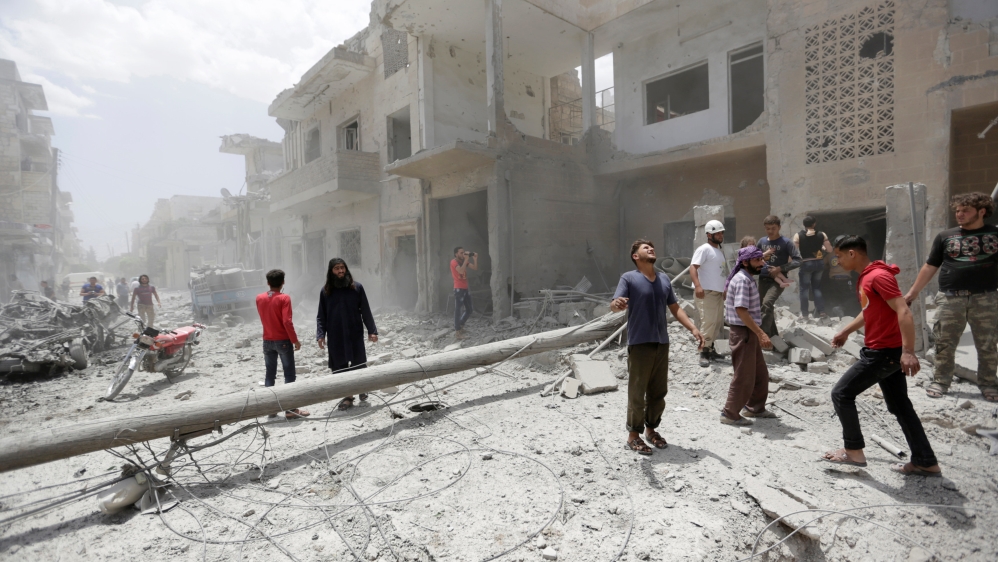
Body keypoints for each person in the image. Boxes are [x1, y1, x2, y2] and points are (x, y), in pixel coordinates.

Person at [824, 236, 941, 476]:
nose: (837, 261)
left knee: (842, 393)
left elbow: (904, 310)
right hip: (886, 350)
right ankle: (925, 461)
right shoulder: (867, 277)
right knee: (900, 405)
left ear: (852, 253)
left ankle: (853, 451)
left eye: (839, 256)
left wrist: (908, 351)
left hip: (884, 352)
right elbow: (869, 311)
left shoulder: (877, 276)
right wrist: (846, 331)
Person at [611, 239, 704, 455]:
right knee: (637, 391)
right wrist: (616, 304)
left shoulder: (663, 279)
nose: (651, 249)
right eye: (645, 248)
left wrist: (693, 328)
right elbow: (615, 304)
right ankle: (633, 435)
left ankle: (650, 430)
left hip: (662, 342)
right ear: (636, 256)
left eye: (651, 247)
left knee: (658, 392)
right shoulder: (629, 278)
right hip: (640, 343)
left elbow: (675, 307)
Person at [902, 192, 998, 402]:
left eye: (965, 211)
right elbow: (930, 266)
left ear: (982, 211)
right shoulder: (945, 236)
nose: (959, 214)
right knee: (944, 342)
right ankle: (941, 381)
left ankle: (989, 383)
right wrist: (912, 292)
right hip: (950, 298)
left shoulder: (994, 234)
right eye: (957, 210)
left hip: (986, 298)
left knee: (988, 343)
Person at [720, 246, 777, 426]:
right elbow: (741, 311)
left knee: (760, 374)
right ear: (745, 262)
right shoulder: (743, 280)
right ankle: (730, 413)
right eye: (758, 260)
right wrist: (761, 333)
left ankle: (754, 408)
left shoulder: (746, 278)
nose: (762, 263)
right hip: (743, 332)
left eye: (762, 259)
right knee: (744, 376)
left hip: (748, 332)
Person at [317, 258, 378, 410]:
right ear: (331, 271)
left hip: (354, 331)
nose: (340, 271)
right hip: (335, 333)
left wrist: (372, 330)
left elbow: (365, 310)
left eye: (342, 267)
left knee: (359, 361)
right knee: (339, 365)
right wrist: (320, 334)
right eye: (337, 268)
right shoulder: (325, 291)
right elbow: (321, 316)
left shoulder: (357, 288)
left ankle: (362, 388)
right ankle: (348, 396)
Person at [256, 269, 309, 419]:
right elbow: (287, 321)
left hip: (267, 340)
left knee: (270, 374)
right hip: (283, 341)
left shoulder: (259, 298)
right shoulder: (284, 298)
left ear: (268, 282)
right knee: (289, 374)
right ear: (283, 282)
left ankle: (271, 409)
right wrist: (295, 340)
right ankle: (291, 410)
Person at [756, 215, 801, 337]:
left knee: (767, 303)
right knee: (764, 307)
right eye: (768, 228)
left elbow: (798, 261)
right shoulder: (761, 242)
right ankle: (773, 337)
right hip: (763, 278)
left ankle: (762, 336)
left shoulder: (786, 242)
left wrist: (780, 268)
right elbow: (755, 258)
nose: (770, 231)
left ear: (779, 227)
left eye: (773, 228)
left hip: (778, 280)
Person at [690, 220, 727, 367]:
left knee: (716, 323)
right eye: (717, 233)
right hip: (706, 292)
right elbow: (693, 268)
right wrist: (698, 286)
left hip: (717, 293)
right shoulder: (704, 249)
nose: (720, 235)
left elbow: (720, 273)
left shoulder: (719, 252)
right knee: (708, 322)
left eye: (721, 232)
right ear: (709, 234)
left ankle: (710, 349)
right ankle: (703, 352)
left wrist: (724, 289)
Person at [793, 216, 833, 319]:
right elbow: (829, 250)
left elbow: (793, 250)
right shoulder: (822, 234)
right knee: (817, 288)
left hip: (806, 263)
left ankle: (805, 314)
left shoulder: (798, 235)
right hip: (819, 263)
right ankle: (822, 311)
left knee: (804, 289)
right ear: (814, 224)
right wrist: (822, 247)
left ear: (803, 224)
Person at [451, 247, 478, 339]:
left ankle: (461, 325)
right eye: (461, 253)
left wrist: (475, 259)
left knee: (469, 309)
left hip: (465, 288)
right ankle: (457, 332)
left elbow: (475, 267)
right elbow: (461, 270)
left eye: (464, 252)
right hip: (458, 288)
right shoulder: (453, 262)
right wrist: (466, 259)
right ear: (456, 254)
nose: (463, 254)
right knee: (458, 310)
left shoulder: (464, 261)